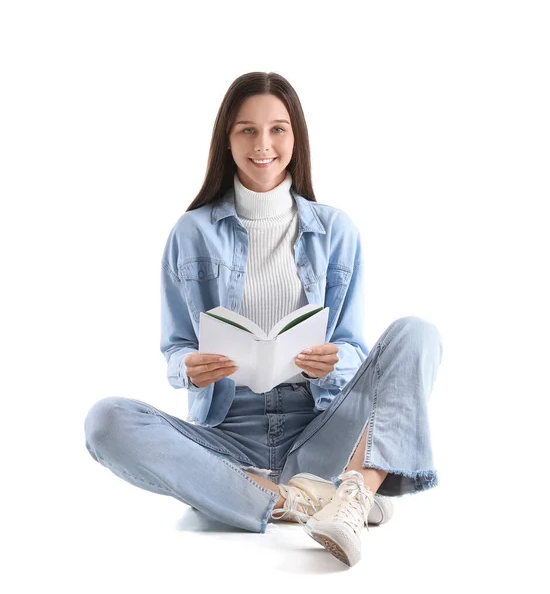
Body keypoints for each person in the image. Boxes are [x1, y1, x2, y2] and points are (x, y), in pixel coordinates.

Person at [84, 71, 443, 568]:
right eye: (247, 130)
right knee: (106, 421)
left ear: (295, 137)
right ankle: (286, 499)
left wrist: (334, 363)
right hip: (228, 437)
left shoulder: (336, 230)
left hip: (319, 425)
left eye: (278, 129)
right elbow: (175, 345)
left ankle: (353, 496)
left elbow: (353, 345)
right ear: (227, 139)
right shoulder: (190, 233)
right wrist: (188, 366)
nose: (263, 144)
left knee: (417, 334)